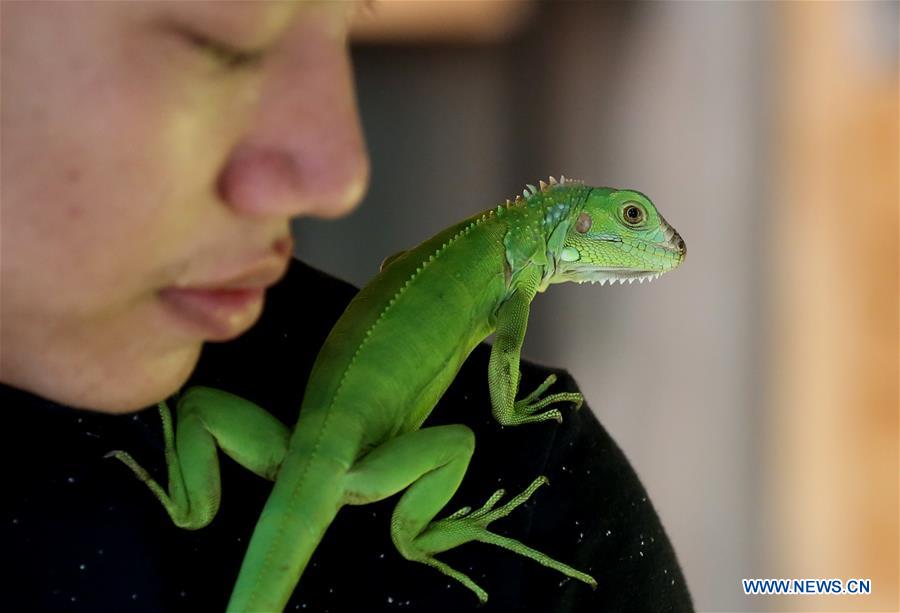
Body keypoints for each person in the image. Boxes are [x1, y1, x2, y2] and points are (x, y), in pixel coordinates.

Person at [2, 2, 693, 611]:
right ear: (578, 223)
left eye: (346, 23)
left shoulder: (559, 499)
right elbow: (497, 376)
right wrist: (508, 416)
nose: (342, 177)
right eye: (222, 43)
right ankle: (417, 534)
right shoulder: (527, 463)